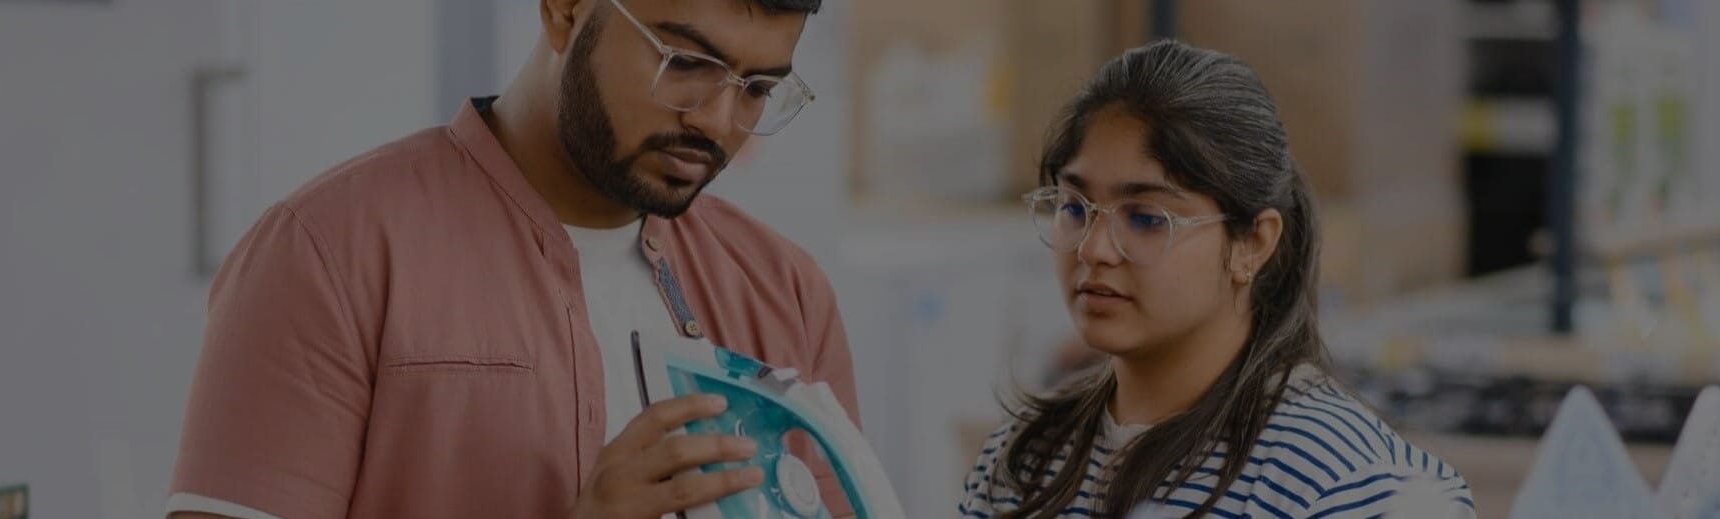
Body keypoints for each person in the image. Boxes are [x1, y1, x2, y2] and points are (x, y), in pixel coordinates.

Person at [166, 0, 856, 517]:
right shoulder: (327, 252)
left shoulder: (785, 289)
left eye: (758, 89)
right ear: (564, 9)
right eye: (686, 65)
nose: (715, 119)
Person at [957, 40, 1476, 518]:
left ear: (1252, 243)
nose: (1093, 248)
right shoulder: (1022, 460)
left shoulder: (1341, 483)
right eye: (1076, 207)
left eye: (1145, 219)